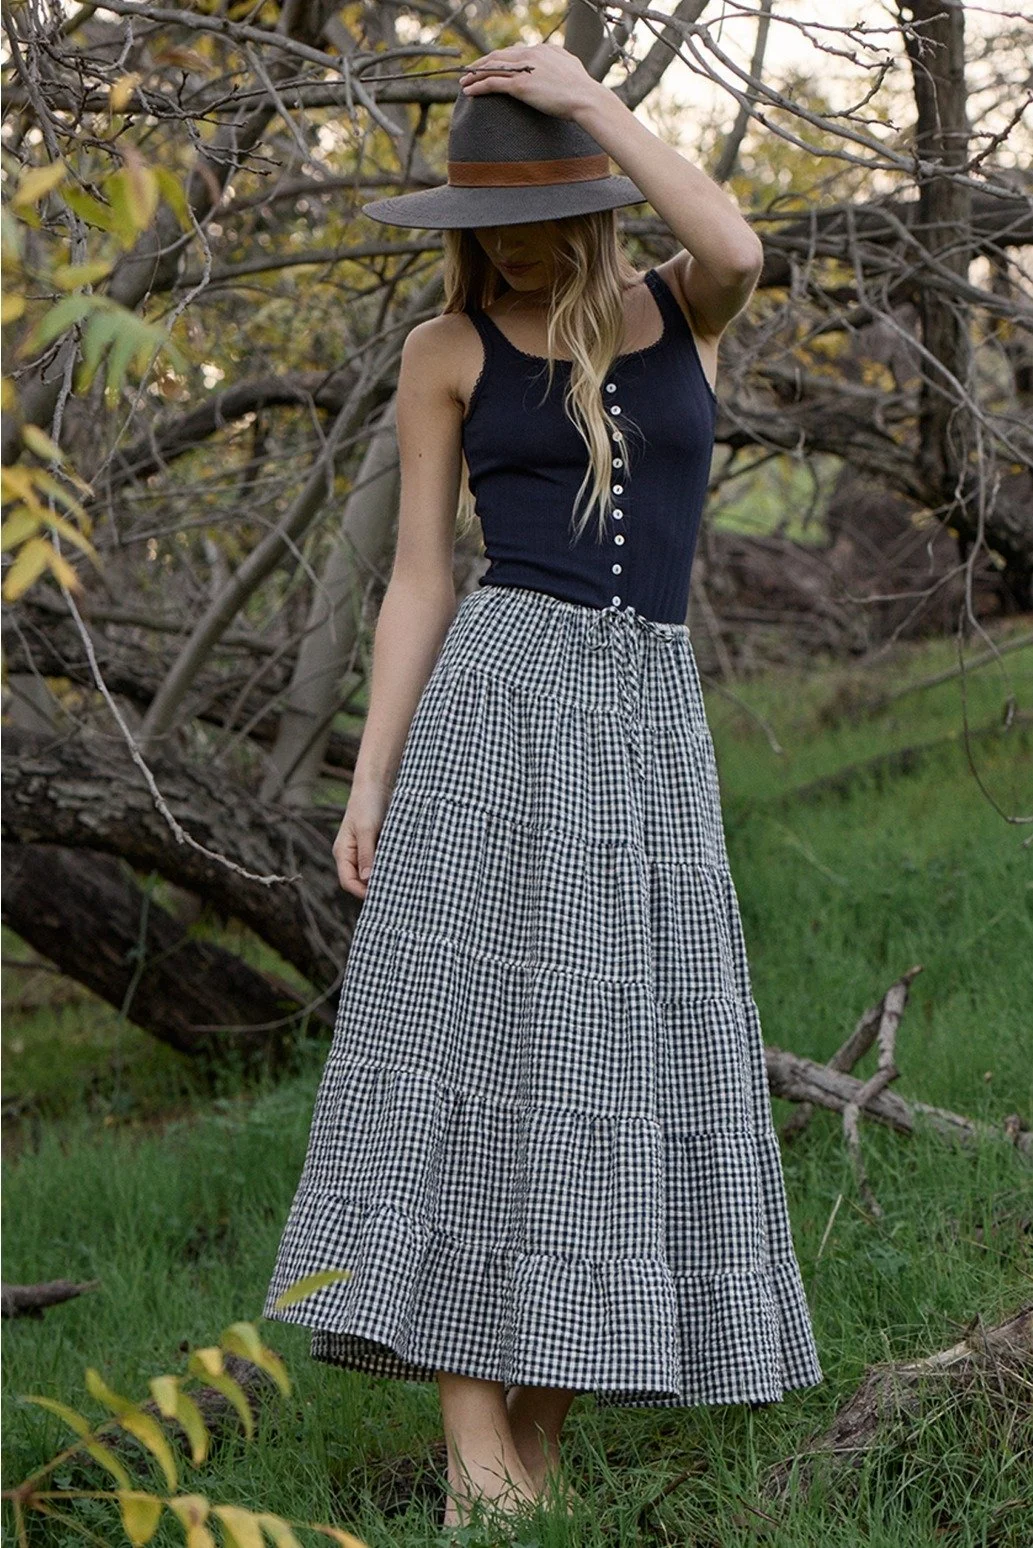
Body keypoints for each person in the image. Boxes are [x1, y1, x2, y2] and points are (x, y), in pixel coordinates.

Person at [264, 41, 824, 1535]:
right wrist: (369, 778)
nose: (501, 242)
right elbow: (420, 576)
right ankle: (477, 1469)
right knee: (469, 1065)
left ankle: (531, 1473)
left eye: (528, 205)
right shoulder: (445, 354)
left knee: (612, 1076)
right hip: (496, 721)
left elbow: (736, 241)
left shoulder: (678, 313)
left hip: (644, 725)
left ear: (586, 194)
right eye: (478, 216)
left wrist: (591, 98)